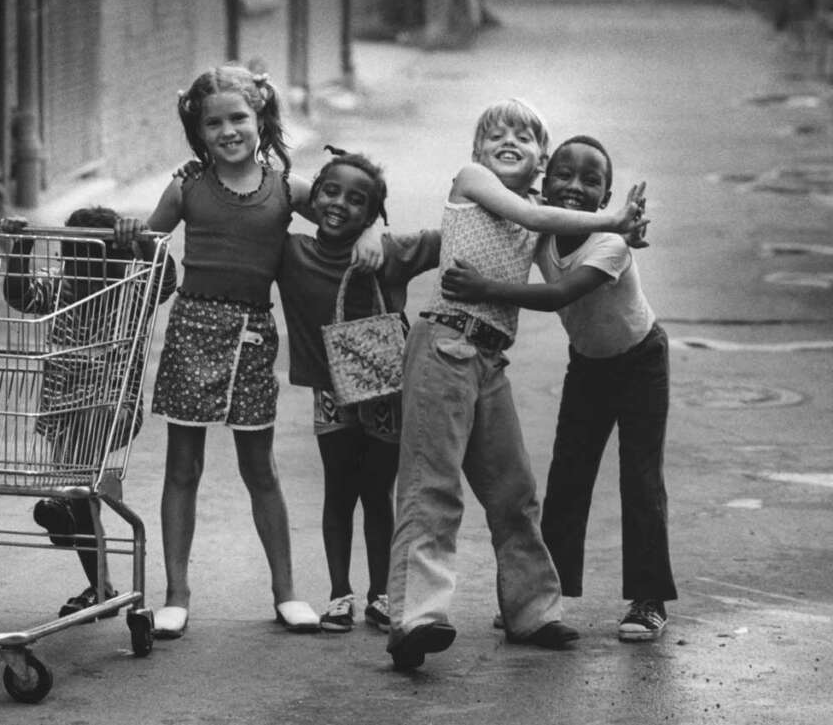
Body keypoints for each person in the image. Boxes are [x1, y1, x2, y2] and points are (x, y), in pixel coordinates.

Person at [114, 65, 383, 638]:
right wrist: (129, 236)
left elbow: (343, 215)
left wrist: (370, 235)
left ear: (261, 117)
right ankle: (176, 595)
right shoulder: (185, 187)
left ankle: (286, 592)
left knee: (260, 468)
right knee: (182, 467)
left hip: (254, 339)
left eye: (239, 117)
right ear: (199, 131)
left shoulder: (289, 189)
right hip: (191, 332)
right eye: (214, 122)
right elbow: (146, 253)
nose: (229, 130)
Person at [385, 99, 648, 671]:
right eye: (495, 134)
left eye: (525, 138)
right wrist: (611, 218)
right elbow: (536, 221)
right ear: (477, 152)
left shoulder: (536, 209)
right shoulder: (474, 180)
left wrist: (626, 233)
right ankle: (416, 619)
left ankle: (533, 612)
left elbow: (560, 235)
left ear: (540, 165)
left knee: (514, 493)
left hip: (488, 360)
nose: (508, 140)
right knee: (432, 488)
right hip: (443, 347)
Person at [442, 134, 675, 642]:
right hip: (588, 364)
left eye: (591, 181)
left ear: (606, 199)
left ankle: (648, 600)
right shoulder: (542, 231)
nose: (574, 186)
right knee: (568, 477)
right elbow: (492, 229)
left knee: (639, 477)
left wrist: (484, 289)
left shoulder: (609, 244)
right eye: (564, 176)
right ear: (544, 182)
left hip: (641, 361)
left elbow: (557, 294)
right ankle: (539, 598)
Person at [276, 147, 441, 633]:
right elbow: (276, 190)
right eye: (330, 192)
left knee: (377, 492)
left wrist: (376, 232)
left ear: (373, 213)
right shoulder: (291, 252)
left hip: (386, 394)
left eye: (357, 201)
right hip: (331, 394)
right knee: (339, 491)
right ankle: (338, 593)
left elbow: (446, 237)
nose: (339, 204)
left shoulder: (388, 253)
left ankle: (382, 592)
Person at [1, 207, 176, 618]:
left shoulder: (132, 290)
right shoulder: (60, 288)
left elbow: (166, 279)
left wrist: (146, 240)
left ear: (117, 260)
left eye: (95, 258)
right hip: (63, 407)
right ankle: (101, 588)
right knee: (81, 494)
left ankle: (62, 497)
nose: (83, 270)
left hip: (113, 406)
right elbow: (20, 295)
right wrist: (21, 244)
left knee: (78, 467)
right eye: (73, 257)